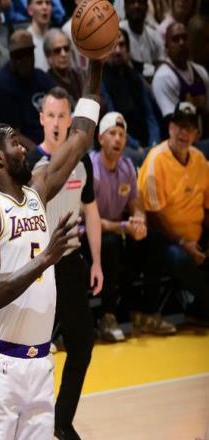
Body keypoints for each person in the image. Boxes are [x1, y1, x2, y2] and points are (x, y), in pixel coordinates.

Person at [0, 59, 103, 439]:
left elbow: (80, 138)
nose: (23, 147)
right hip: (4, 364)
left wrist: (95, 64)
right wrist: (46, 258)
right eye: (14, 142)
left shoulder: (38, 190)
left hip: (41, 360)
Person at [28, 87, 103, 440]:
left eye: (62, 116)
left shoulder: (82, 161)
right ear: (42, 119)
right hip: (39, 268)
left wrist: (97, 262)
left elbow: (91, 211)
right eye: (51, 116)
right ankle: (32, 423)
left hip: (71, 263)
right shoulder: (31, 162)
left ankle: (61, 421)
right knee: (35, 351)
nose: (57, 122)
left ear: (70, 120)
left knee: (82, 344)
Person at [91, 112, 176, 341]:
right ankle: (107, 317)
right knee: (109, 244)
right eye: (112, 133)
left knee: (154, 239)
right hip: (89, 238)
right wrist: (123, 227)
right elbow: (90, 220)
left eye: (121, 134)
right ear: (101, 138)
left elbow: (136, 204)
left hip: (120, 231)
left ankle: (147, 313)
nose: (118, 139)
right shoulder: (90, 168)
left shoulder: (127, 166)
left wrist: (139, 221)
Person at [138, 101, 209, 323]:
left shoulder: (200, 160)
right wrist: (183, 243)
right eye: (179, 126)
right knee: (180, 259)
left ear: (196, 134)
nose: (183, 133)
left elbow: (207, 207)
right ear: (170, 127)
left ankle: (198, 309)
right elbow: (154, 217)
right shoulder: (156, 160)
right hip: (166, 239)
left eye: (189, 128)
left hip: (197, 237)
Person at [101, 27, 161, 163]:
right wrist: (136, 146)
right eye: (113, 46)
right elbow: (113, 122)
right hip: (123, 143)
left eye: (122, 45)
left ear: (128, 50)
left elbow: (150, 116)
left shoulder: (136, 77)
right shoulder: (101, 81)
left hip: (146, 142)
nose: (117, 51)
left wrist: (154, 143)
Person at [0, 29, 56, 149]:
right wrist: (40, 153)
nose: (25, 60)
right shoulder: (2, 85)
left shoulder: (41, 77)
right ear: (11, 56)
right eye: (19, 55)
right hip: (27, 150)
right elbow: (12, 133)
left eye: (28, 54)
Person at [152, 22, 209, 139]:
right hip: (176, 141)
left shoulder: (201, 72)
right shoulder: (163, 77)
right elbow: (172, 122)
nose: (181, 43)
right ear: (166, 46)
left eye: (184, 38)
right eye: (175, 39)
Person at [120, 0, 164, 79]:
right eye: (132, 2)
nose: (137, 6)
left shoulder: (154, 34)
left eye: (141, 2)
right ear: (125, 7)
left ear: (147, 7)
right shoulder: (118, 32)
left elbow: (162, 64)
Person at [44, 29, 86, 106]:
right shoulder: (46, 83)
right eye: (57, 50)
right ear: (48, 57)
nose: (63, 54)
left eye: (66, 49)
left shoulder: (80, 75)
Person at [27, 0, 53, 72]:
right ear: (30, 10)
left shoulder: (57, 38)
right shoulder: (26, 40)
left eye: (48, 3)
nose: (45, 7)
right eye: (39, 3)